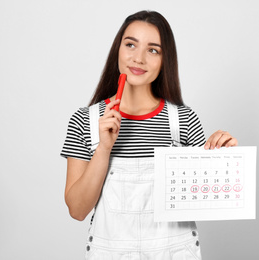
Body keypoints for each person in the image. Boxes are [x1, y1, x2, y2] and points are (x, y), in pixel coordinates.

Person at [60, 10, 237, 260]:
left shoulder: (183, 121)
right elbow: (77, 210)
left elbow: (209, 200)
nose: (138, 58)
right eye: (130, 44)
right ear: (117, 50)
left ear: (165, 60)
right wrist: (103, 148)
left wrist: (225, 159)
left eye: (153, 50)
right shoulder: (85, 121)